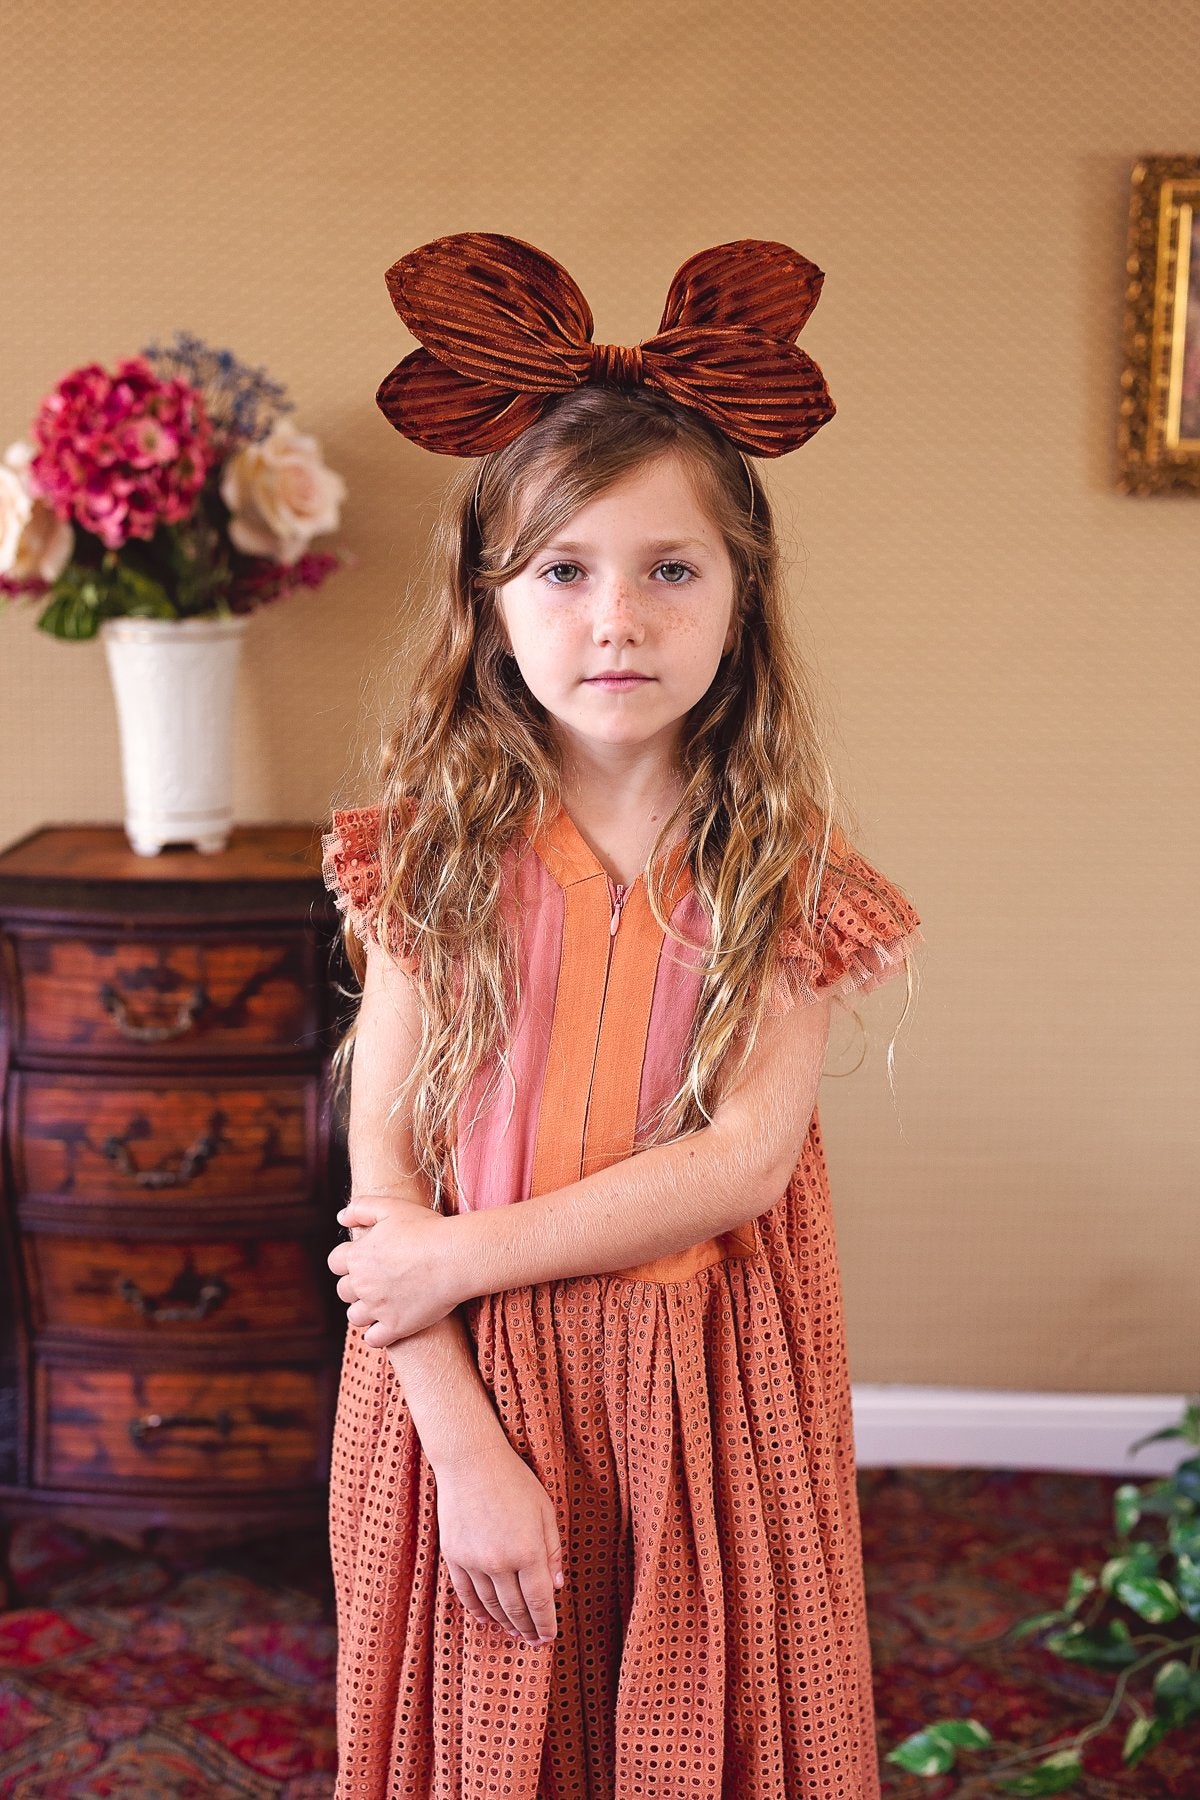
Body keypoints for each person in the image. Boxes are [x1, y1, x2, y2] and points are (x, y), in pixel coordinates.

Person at [321, 232, 923, 1800]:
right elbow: (386, 1175)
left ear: (740, 599)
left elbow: (740, 1164)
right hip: (461, 1375)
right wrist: (462, 1443)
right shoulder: (427, 858)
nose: (617, 620)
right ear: (491, 607)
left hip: (703, 1379)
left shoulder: (783, 872)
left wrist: (459, 1254)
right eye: (564, 571)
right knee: (486, 1724)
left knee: (695, 1719)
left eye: (671, 569)